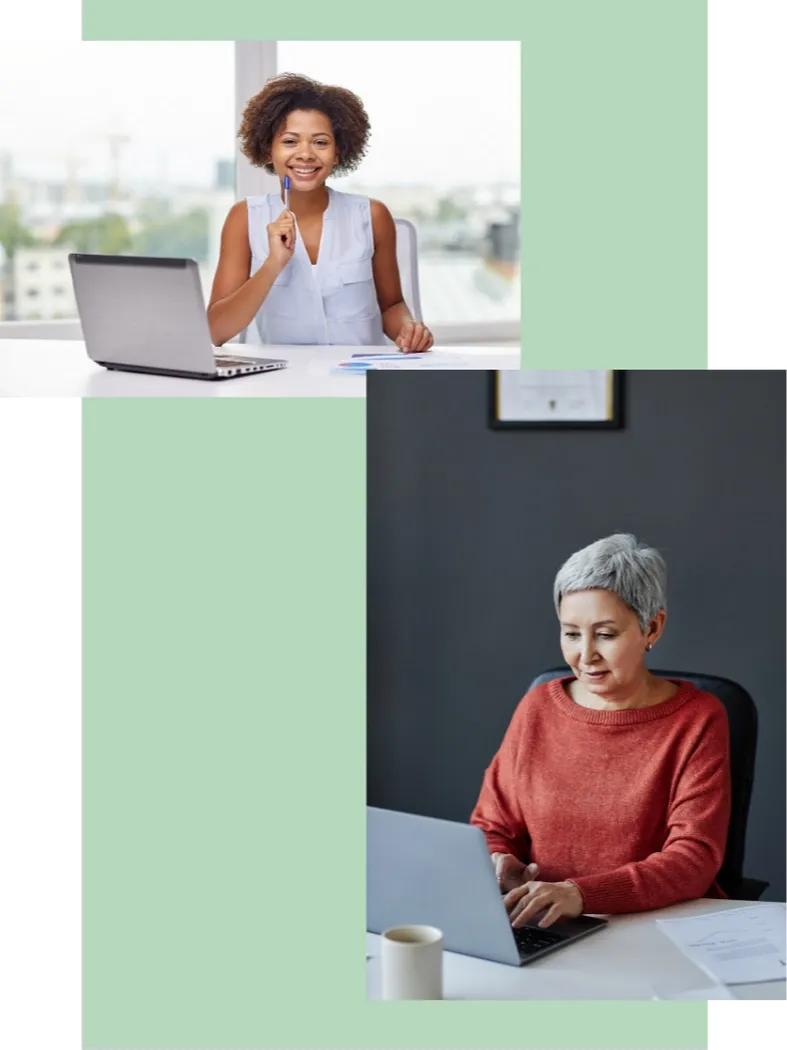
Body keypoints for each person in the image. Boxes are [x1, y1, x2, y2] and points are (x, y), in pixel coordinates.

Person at [470, 533, 732, 930]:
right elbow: (492, 826)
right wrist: (498, 862)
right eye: (571, 634)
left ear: (652, 628)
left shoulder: (698, 719)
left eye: (606, 634)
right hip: (544, 923)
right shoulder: (537, 708)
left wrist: (579, 895)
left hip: (653, 927)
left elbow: (693, 859)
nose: (585, 655)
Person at [207, 73, 434, 352]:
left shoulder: (373, 216)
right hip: (284, 375)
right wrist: (272, 265)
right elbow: (216, 331)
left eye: (320, 142)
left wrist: (409, 330)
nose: (305, 154)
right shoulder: (244, 218)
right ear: (268, 150)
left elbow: (391, 306)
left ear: (338, 152)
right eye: (290, 141)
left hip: (357, 371)